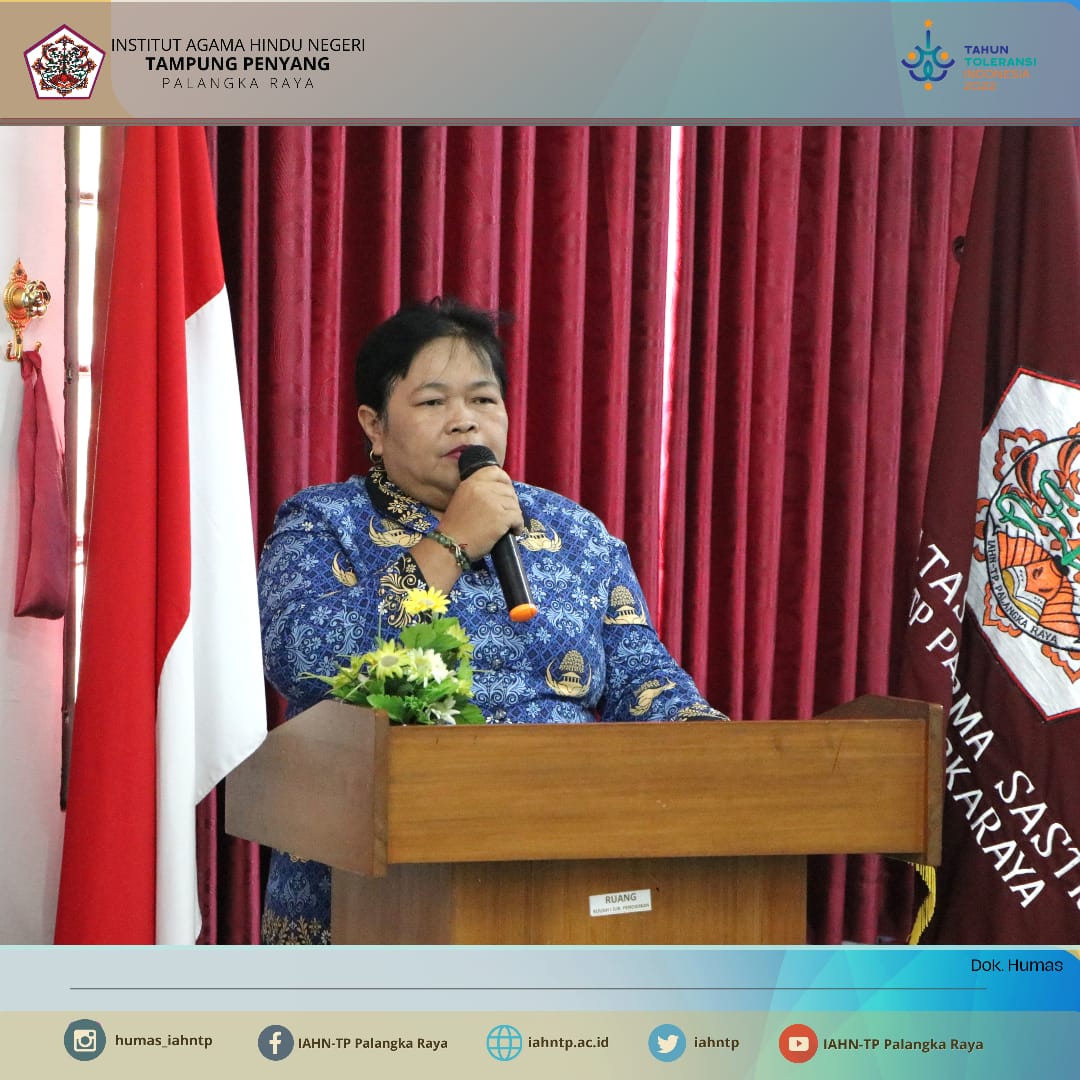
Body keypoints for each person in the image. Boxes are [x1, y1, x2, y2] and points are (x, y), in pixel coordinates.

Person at [257, 297, 727, 943]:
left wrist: (715, 750)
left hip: (561, 862)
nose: (465, 421)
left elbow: (643, 677)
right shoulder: (323, 522)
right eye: (433, 401)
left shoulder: (573, 531)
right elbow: (300, 656)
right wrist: (452, 542)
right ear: (374, 425)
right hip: (376, 883)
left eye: (483, 399)